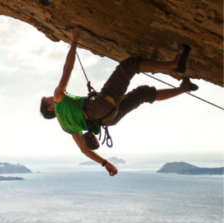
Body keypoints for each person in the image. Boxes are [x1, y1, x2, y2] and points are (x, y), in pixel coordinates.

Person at [40, 26, 198, 177]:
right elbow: (67, 69)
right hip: (100, 106)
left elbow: (85, 151)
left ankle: (183, 88)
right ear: (49, 108)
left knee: (143, 94)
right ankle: (175, 64)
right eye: (48, 99)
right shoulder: (59, 97)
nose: (50, 97)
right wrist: (75, 40)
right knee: (128, 66)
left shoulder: (67, 127)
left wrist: (105, 163)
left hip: (109, 120)